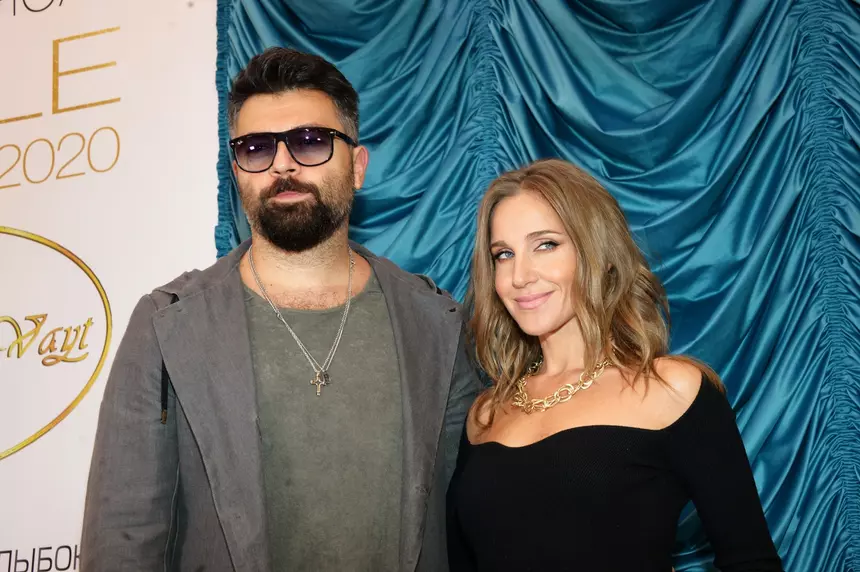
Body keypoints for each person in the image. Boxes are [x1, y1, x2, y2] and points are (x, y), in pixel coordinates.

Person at [81, 47, 481, 572]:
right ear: (236, 171)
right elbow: (123, 536)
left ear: (358, 166)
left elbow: (477, 522)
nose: (283, 165)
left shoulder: (435, 324)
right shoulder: (166, 325)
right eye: (256, 148)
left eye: (311, 141)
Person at [446, 159, 782, 571]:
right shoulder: (484, 414)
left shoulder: (671, 390)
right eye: (503, 254)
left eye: (546, 245)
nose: (520, 276)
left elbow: (751, 560)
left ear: (600, 253)